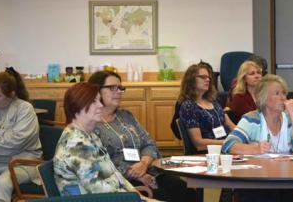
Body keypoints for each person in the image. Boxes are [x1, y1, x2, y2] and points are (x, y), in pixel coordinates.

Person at [88, 71, 196, 202]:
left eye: (120, 88)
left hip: (149, 170)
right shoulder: (91, 123)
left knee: (184, 189)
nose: (118, 91)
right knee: (164, 196)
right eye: (112, 88)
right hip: (122, 180)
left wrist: (144, 164)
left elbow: (149, 143)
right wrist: (136, 173)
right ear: (96, 91)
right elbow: (100, 161)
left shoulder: (126, 116)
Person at [53, 83, 155, 201]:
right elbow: (99, 189)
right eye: (93, 101)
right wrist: (139, 199)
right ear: (77, 105)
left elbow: (114, 174)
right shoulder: (76, 144)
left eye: (99, 100)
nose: (100, 105)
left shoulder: (89, 135)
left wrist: (136, 194)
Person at [222, 74, 293, 202]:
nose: (283, 97)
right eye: (277, 93)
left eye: (284, 93)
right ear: (263, 98)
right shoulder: (252, 119)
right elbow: (228, 145)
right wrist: (255, 149)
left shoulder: (289, 119)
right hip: (258, 180)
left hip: (289, 179)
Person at [0, 68, 42, 202]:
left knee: (2, 184)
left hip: (22, 163)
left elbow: (16, 140)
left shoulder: (24, 109)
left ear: (11, 94)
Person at [179, 63, 236, 152]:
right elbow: (199, 143)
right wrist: (227, 142)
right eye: (203, 77)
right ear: (191, 80)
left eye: (208, 77)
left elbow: (230, 124)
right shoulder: (189, 106)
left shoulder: (214, 102)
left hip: (228, 147)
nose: (208, 80)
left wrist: (242, 136)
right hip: (209, 152)